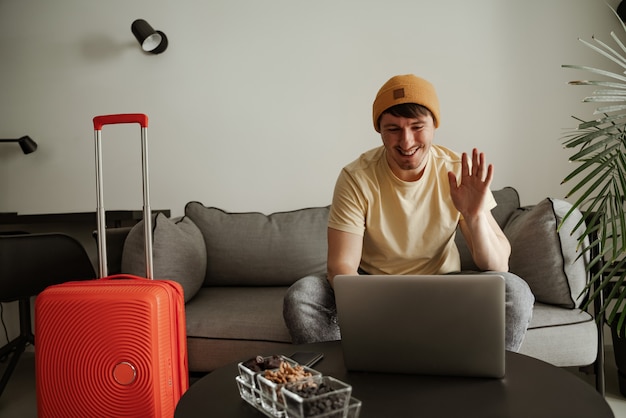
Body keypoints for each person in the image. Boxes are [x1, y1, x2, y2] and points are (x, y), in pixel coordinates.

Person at [283, 74, 534, 352]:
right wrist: (375, 311)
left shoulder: (457, 171)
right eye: (393, 129)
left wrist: (474, 216)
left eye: (417, 127)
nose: (406, 141)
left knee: (516, 292)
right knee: (302, 297)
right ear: (379, 129)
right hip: (372, 288)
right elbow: (341, 267)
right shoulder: (356, 177)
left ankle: (486, 387)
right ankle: (342, 383)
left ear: (434, 125)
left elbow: (498, 265)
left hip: (442, 288)